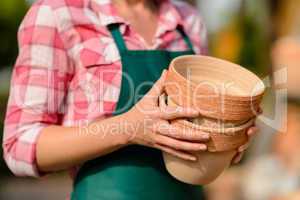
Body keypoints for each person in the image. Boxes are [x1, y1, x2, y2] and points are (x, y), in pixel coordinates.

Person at [3, 0, 257, 199]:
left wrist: (226, 140)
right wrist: (128, 128)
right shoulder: (58, 13)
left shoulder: (188, 20)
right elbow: (20, 145)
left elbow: (199, 124)